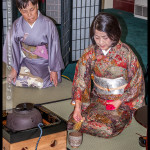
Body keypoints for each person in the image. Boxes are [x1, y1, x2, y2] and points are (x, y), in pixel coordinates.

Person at [67, 12, 145, 138]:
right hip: (97, 97)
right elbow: (81, 79)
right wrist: (78, 106)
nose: (101, 42)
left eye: (105, 37)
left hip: (120, 101)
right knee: (72, 122)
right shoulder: (90, 52)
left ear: (114, 34)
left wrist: (119, 101)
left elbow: (137, 82)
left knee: (106, 129)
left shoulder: (125, 53)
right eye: (97, 37)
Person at [3, 0, 64, 88]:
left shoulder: (48, 24)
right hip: (25, 61)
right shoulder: (17, 25)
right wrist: (14, 69)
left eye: (32, 9)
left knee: (45, 82)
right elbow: (13, 47)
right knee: (15, 81)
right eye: (24, 11)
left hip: (43, 63)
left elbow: (54, 48)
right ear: (20, 10)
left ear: (37, 6)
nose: (29, 14)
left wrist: (53, 70)